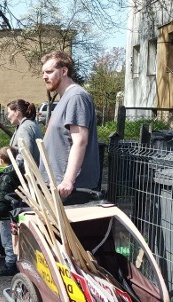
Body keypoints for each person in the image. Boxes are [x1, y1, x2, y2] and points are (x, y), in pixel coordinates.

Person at [39, 51, 100, 205]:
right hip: (56, 185)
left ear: (64, 71)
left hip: (69, 190)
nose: (44, 77)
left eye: (49, 72)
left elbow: (80, 141)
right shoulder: (65, 98)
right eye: (43, 72)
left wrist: (68, 180)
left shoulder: (76, 97)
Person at [0, 146, 22, 276]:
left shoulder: (4, 177)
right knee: (13, 239)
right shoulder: (12, 172)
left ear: (2, 160)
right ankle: (14, 262)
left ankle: (10, 265)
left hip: (4, 216)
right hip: (12, 213)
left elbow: (2, 200)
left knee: (7, 241)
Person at [6, 99, 44, 167]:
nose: (8, 117)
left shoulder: (24, 128)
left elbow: (25, 154)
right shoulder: (32, 124)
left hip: (27, 174)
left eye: (9, 113)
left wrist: (8, 168)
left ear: (17, 112)